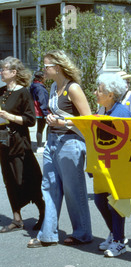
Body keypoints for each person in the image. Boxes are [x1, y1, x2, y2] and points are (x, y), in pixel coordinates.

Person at [27, 50, 93, 248]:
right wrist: (51, 120)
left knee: (74, 191)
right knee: (49, 187)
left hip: (70, 143)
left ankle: (82, 233)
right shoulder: (55, 86)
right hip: (53, 141)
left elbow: (88, 119)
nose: (43, 70)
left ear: (57, 67)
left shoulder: (73, 88)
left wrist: (62, 122)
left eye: (46, 66)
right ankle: (47, 234)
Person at [0, 57, 45, 232]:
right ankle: (17, 218)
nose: (1, 72)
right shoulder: (2, 91)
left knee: (26, 179)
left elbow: (31, 120)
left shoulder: (23, 92)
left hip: (20, 143)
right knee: (9, 179)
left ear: (14, 73)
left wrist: (9, 117)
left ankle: (43, 212)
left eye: (4, 69)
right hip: (3, 143)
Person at [93, 73, 131, 257]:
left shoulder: (122, 112)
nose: (95, 93)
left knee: (115, 204)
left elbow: (129, 140)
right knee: (100, 200)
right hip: (106, 166)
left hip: (120, 167)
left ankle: (119, 241)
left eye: (100, 90)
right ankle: (114, 234)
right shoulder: (104, 111)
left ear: (110, 94)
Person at [29, 71, 49, 153]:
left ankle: (41, 144)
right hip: (40, 110)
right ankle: (40, 146)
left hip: (35, 110)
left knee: (40, 128)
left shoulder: (33, 85)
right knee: (42, 128)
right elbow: (42, 100)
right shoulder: (40, 88)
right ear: (41, 78)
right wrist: (45, 112)